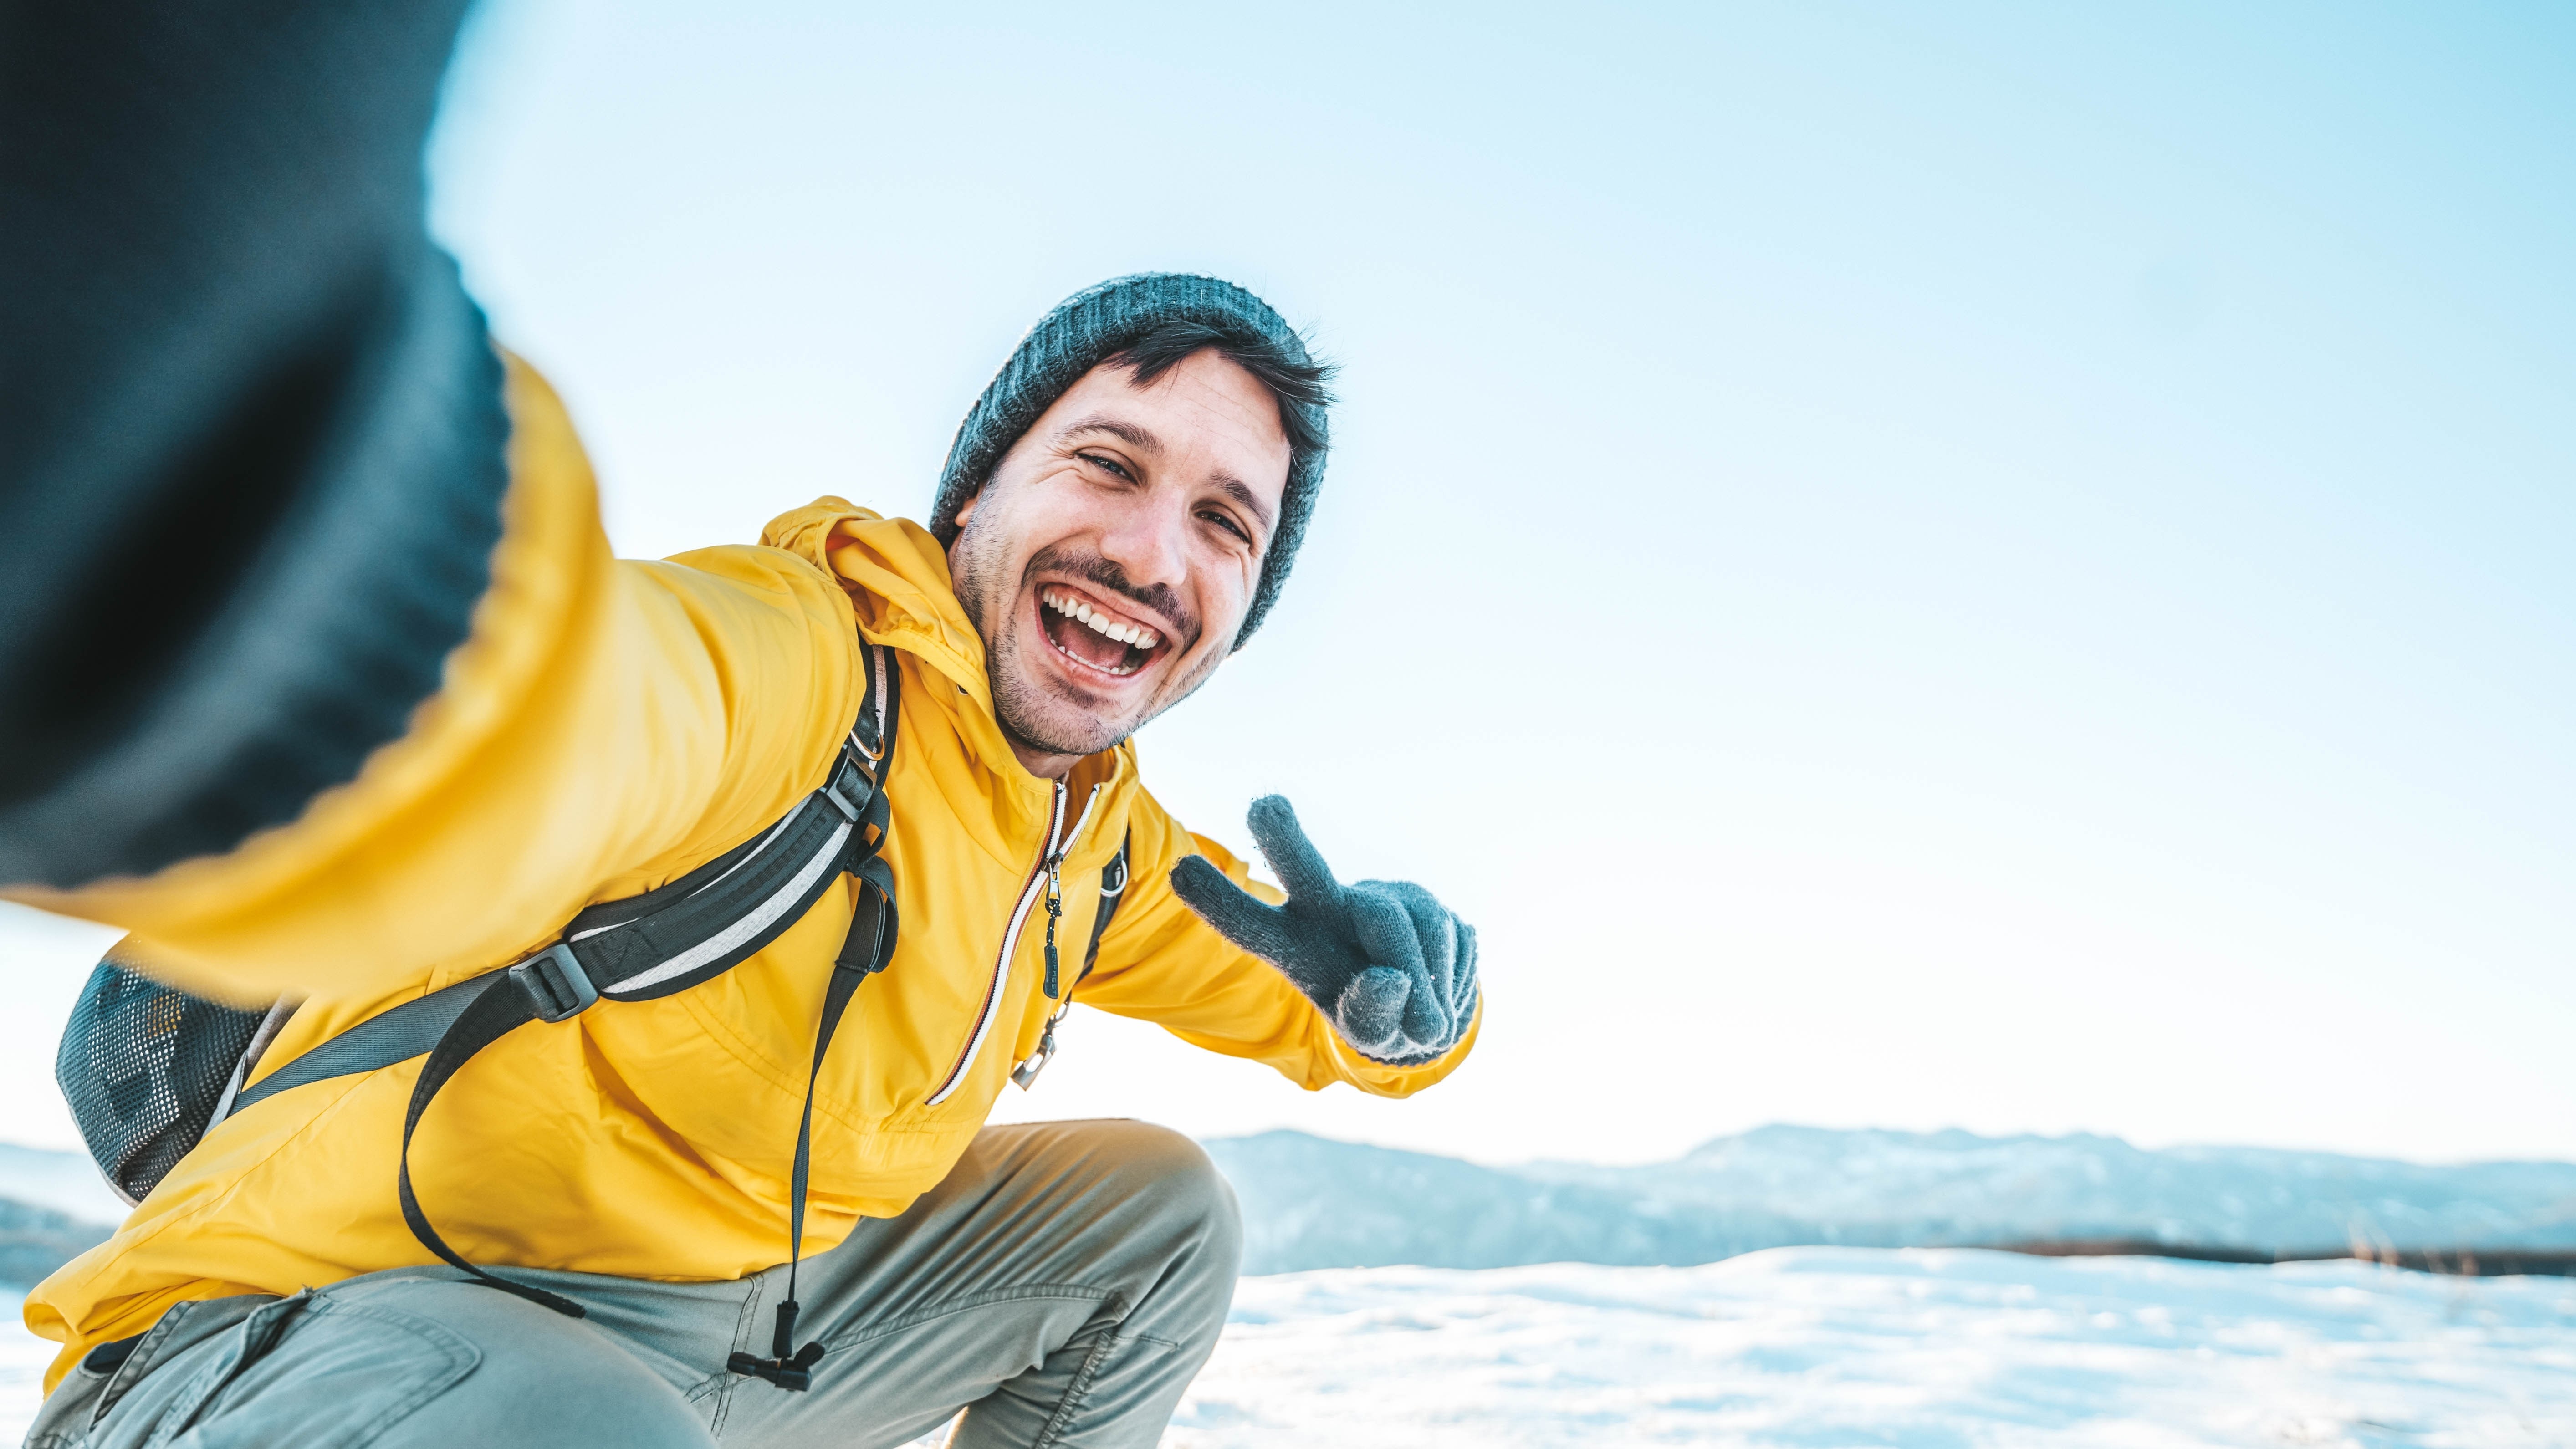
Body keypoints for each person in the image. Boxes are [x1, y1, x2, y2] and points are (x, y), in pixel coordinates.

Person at [0, 3, 1480, 1445]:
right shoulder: (793, 666)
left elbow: (1308, 1014)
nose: (1156, 556)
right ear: (979, 492)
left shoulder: (1093, 850)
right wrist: (304, 565)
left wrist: (1400, 1014)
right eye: (1108, 463)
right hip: (298, 1337)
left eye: (1226, 522)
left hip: (693, 1348)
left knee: (1155, 1220)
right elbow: (561, 717)